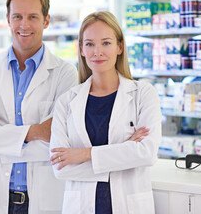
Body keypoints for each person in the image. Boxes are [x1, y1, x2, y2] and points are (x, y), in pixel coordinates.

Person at [0, 0, 78, 214]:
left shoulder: (66, 74)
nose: (24, 25)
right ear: (8, 19)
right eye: (17, 16)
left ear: (46, 21)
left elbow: (58, 144)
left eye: (32, 17)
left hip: (42, 197)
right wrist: (35, 131)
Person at [49, 11, 162, 214]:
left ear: (120, 47)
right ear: (81, 49)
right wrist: (125, 151)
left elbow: (146, 153)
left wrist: (83, 155)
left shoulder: (143, 94)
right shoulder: (66, 102)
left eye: (106, 43)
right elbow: (60, 167)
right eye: (90, 44)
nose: (97, 52)